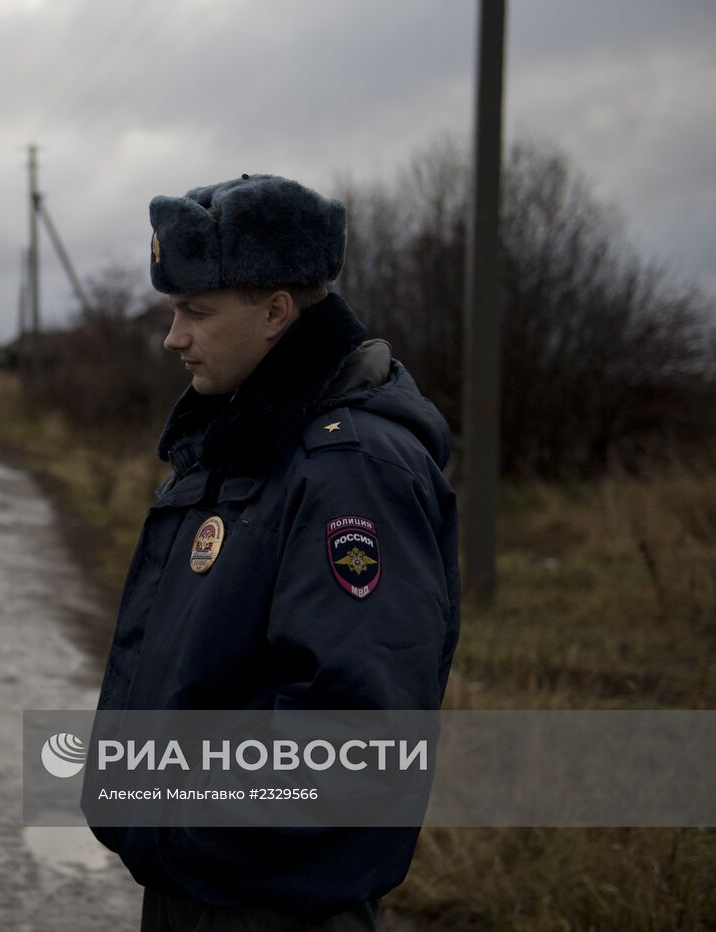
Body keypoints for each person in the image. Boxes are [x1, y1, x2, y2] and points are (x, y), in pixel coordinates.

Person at [89, 174, 461, 930]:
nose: (173, 336)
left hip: (272, 901)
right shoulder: (238, 438)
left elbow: (357, 729)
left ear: (276, 313)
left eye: (195, 311)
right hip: (203, 889)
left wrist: (177, 824)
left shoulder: (350, 469)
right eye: (172, 310)